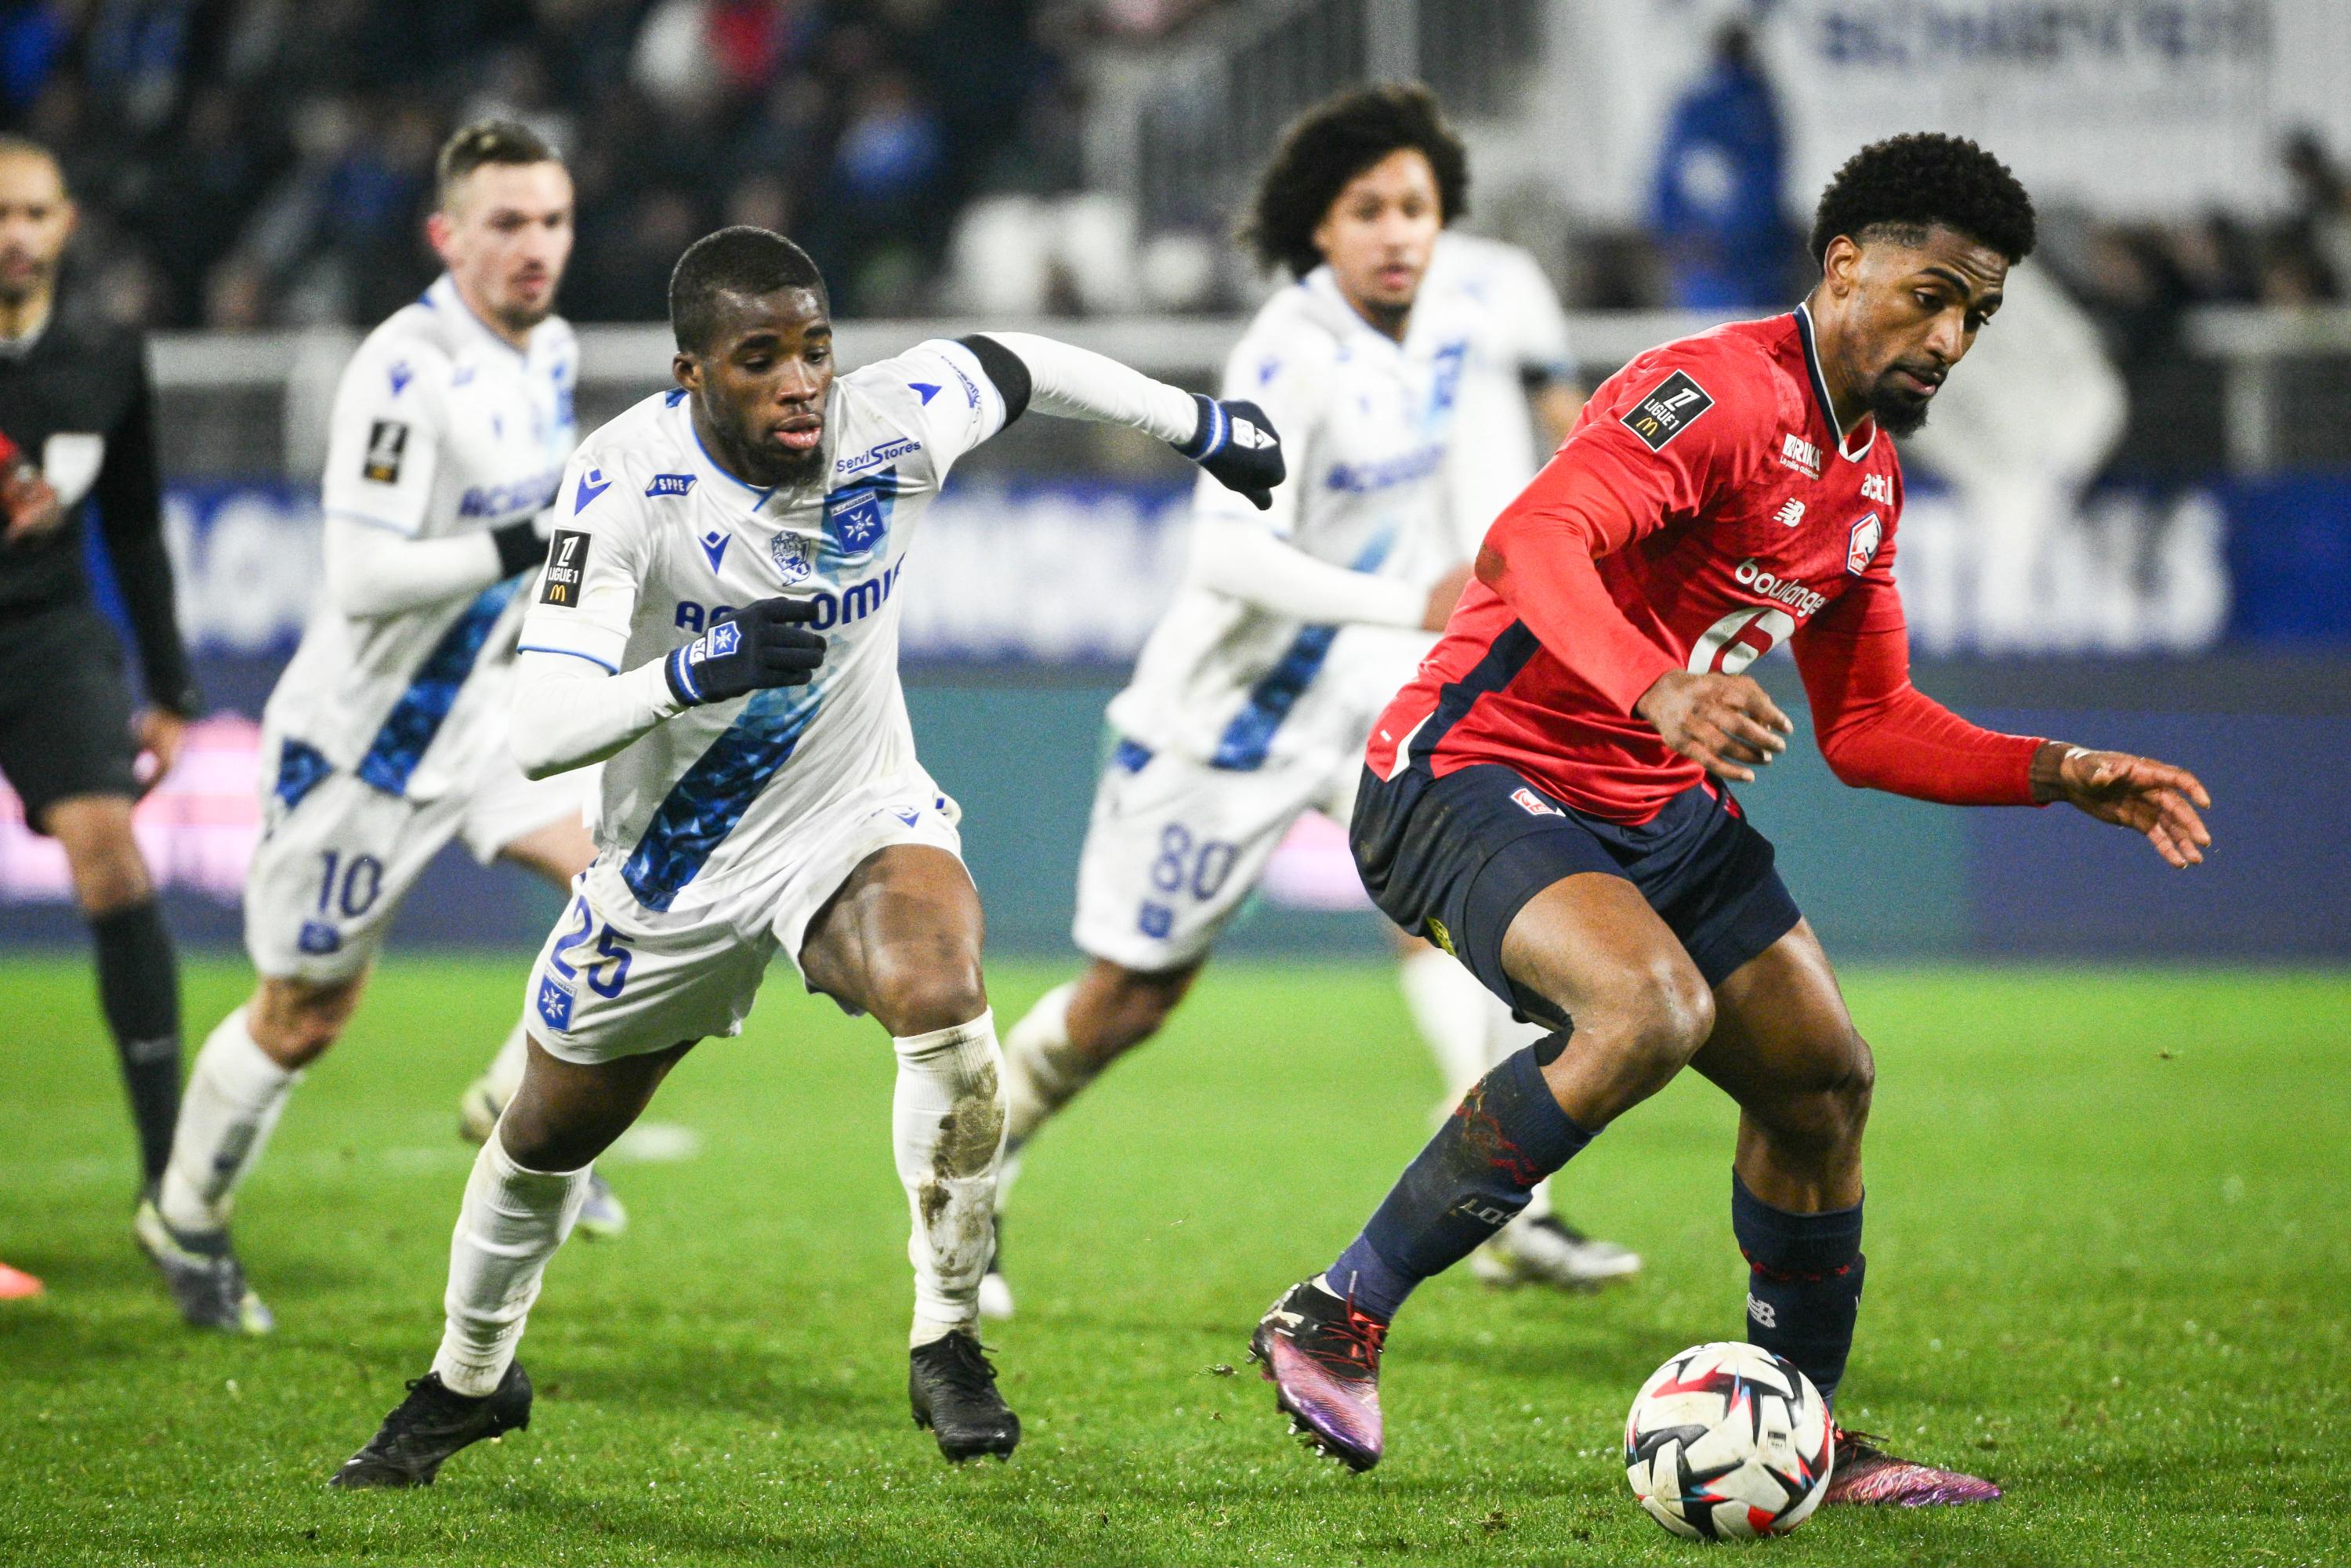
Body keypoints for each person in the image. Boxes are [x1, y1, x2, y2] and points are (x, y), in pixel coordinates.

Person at [1249, 134, 2213, 1505]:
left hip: (1647, 798)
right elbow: (1530, 547)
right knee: (1646, 1010)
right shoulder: (1713, 391)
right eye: (1931, 294)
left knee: (1824, 1077)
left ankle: (1803, 1429)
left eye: (1977, 315)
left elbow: (1872, 725)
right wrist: (1659, 688)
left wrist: (2055, 767)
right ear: (1844, 263)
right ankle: (1336, 1310)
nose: (1950, 336)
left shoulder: (1864, 474)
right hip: (1468, 766)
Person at [326, 224, 1285, 1486]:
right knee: (542, 1138)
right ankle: (467, 1377)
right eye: (761, 357)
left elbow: (1016, 361)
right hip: (671, 867)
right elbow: (540, 729)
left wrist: (1202, 425)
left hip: (852, 816)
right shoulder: (622, 483)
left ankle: (947, 1334)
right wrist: (691, 669)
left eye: (816, 349)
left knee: (942, 992)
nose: (801, 381)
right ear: (693, 374)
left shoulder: (893, 422)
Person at [985, 85, 1637, 1320]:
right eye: (1368, 210)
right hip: (1225, 718)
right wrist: (1410, 602)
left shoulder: (1445, 324)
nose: (1399, 233)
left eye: (1418, 208)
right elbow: (1224, 557)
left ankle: (1510, 1205)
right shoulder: (1286, 356)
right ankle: (974, 1167)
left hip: (1371, 698)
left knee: (1489, 920)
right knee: (1127, 1001)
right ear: (1317, 227)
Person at [140, 121, 621, 1336]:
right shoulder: (403, 370)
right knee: (305, 1013)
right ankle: (185, 1216)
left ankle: (517, 1093)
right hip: (365, 746)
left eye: (552, 221)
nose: (535, 247)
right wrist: (533, 537)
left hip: (486, 719)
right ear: (445, 235)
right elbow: (361, 579)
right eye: (506, 224)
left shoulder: (550, 350)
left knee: (635, 883)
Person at [0, 136, 197, 1233]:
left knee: (114, 862)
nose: (16, 234)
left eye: (33, 212)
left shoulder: (106, 351)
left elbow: (132, 526)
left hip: (46, 632)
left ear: (66, 223)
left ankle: (170, 1173)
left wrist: (168, 687)